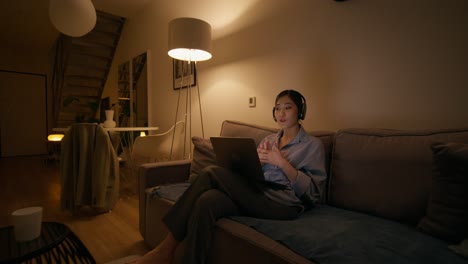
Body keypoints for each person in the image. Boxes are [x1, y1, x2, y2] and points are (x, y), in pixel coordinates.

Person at [134, 89, 326, 264]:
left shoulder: (312, 145)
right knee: (207, 201)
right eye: (277, 109)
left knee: (211, 172)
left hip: (285, 204)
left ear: (300, 111)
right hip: (260, 192)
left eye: (287, 108)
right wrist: (254, 164)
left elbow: (313, 193)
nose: (281, 114)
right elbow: (257, 176)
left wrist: (282, 163)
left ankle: (165, 249)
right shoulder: (269, 140)